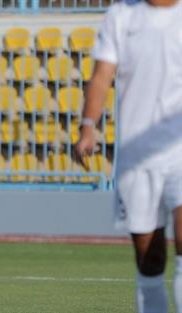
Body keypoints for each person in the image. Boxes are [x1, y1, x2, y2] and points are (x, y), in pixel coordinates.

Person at [73, 0, 182, 311]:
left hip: (180, 152)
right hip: (136, 158)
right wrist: (88, 126)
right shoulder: (121, 15)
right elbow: (101, 77)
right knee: (150, 259)